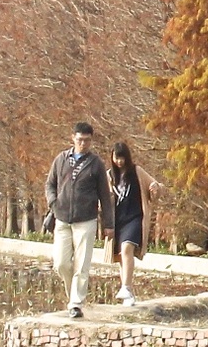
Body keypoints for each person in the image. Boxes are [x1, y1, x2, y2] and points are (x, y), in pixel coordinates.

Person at [45, 121, 111, 319]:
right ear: (73, 138)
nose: (83, 143)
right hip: (62, 217)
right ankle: (71, 295)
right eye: (80, 139)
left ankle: (75, 303)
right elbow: (50, 184)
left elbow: (104, 195)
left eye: (87, 140)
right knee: (61, 263)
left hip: (86, 219)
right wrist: (53, 203)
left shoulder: (96, 164)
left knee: (82, 264)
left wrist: (109, 224)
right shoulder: (61, 159)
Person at [107, 139, 164, 306]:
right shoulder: (109, 176)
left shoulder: (136, 171)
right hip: (118, 220)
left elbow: (154, 184)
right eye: (116, 158)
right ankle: (128, 291)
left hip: (134, 217)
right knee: (120, 257)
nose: (119, 161)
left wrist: (155, 187)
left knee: (127, 249)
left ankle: (125, 287)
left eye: (122, 158)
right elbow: (102, 197)